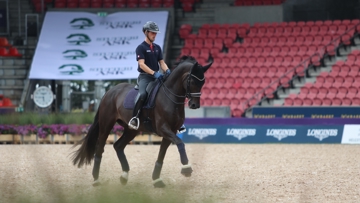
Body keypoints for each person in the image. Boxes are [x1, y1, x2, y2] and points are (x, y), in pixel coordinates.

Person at [128, 21, 186, 134]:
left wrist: (168, 70)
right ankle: (135, 118)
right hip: (145, 77)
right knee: (143, 94)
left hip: (157, 77)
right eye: (152, 33)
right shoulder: (141, 48)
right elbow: (141, 64)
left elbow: (162, 62)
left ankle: (178, 122)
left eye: (155, 33)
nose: (154, 35)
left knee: (169, 92)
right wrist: (153, 73)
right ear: (146, 32)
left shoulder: (157, 48)